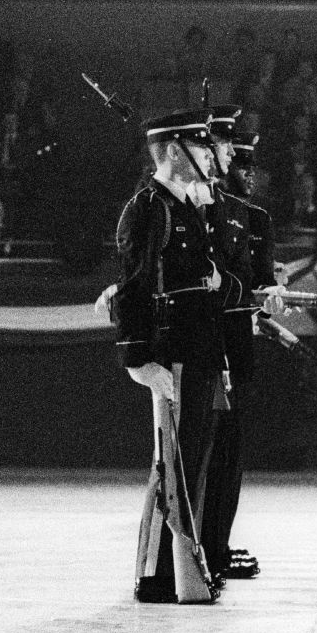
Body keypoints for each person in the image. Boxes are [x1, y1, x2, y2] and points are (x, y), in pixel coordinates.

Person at [110, 108, 245, 605]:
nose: (211, 155)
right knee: (173, 465)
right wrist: (139, 362)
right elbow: (132, 288)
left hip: (201, 349)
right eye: (200, 146)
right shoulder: (150, 208)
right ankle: (157, 575)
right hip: (174, 353)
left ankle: (178, 569)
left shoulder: (188, 205)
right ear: (172, 150)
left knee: (191, 462)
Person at [200, 105, 286, 585]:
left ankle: (220, 543)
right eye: (240, 163)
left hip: (240, 349)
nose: (248, 174)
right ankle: (207, 546)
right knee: (207, 451)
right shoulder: (205, 212)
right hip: (210, 344)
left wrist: (269, 296)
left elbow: (263, 284)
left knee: (231, 454)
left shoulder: (255, 220)